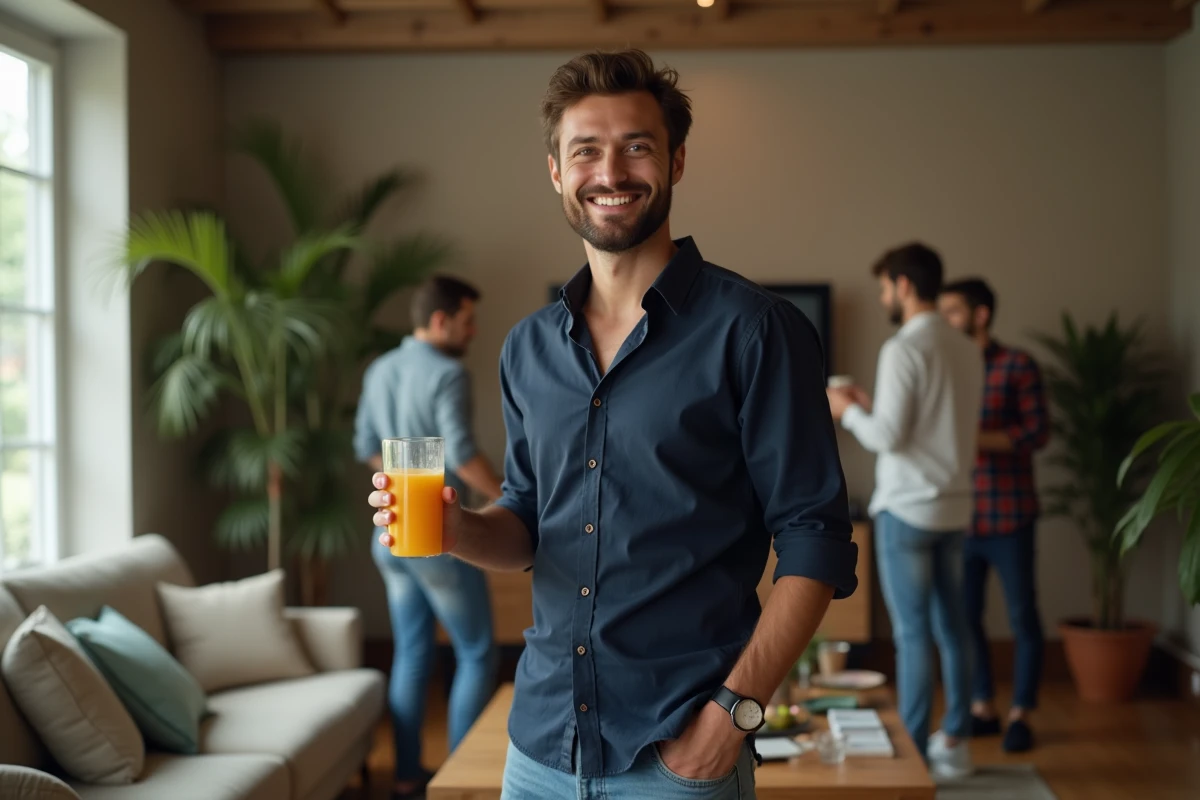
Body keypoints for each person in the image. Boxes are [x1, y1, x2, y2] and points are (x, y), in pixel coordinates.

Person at [369, 50, 857, 800]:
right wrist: (458, 528)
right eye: (585, 150)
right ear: (556, 172)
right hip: (538, 751)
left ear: (677, 160)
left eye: (636, 145)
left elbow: (814, 538)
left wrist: (731, 718)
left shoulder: (757, 330)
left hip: (679, 755)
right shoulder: (527, 348)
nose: (611, 171)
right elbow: (527, 522)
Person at [826, 243, 982, 782]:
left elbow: (889, 438)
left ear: (904, 284)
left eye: (885, 288)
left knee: (912, 636)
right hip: (954, 508)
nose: (884, 298)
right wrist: (870, 405)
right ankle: (955, 740)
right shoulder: (966, 347)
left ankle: (914, 753)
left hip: (907, 512)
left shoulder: (903, 348)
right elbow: (932, 425)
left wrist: (846, 412)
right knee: (954, 628)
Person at [354, 275, 503, 799]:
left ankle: (406, 776)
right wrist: (512, 497)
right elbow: (461, 453)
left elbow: (367, 446)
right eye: (467, 321)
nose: (473, 332)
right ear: (440, 321)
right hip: (436, 539)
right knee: (477, 652)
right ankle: (459, 781)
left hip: (391, 536)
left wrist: (400, 488)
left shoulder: (379, 369)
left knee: (412, 652)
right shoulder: (448, 373)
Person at [938, 278, 1049, 754]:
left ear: (980, 314)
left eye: (953, 311)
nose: (945, 321)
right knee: (966, 618)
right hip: (960, 515)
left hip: (1010, 516)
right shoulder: (948, 365)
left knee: (1023, 616)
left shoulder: (1017, 365)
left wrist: (969, 438)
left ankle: (1022, 713)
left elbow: (1035, 434)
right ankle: (983, 706)